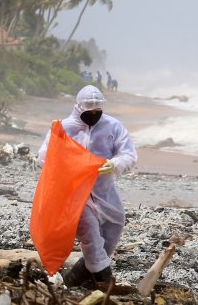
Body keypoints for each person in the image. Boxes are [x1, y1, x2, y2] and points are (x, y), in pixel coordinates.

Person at [38, 85, 137, 288]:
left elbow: (128, 154)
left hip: (104, 190)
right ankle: (105, 281)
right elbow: (44, 157)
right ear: (78, 107)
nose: (93, 114)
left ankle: (73, 281)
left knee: (114, 227)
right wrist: (69, 165)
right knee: (90, 234)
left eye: (97, 110)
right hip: (74, 194)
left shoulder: (113, 127)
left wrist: (114, 164)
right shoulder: (64, 128)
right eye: (88, 110)